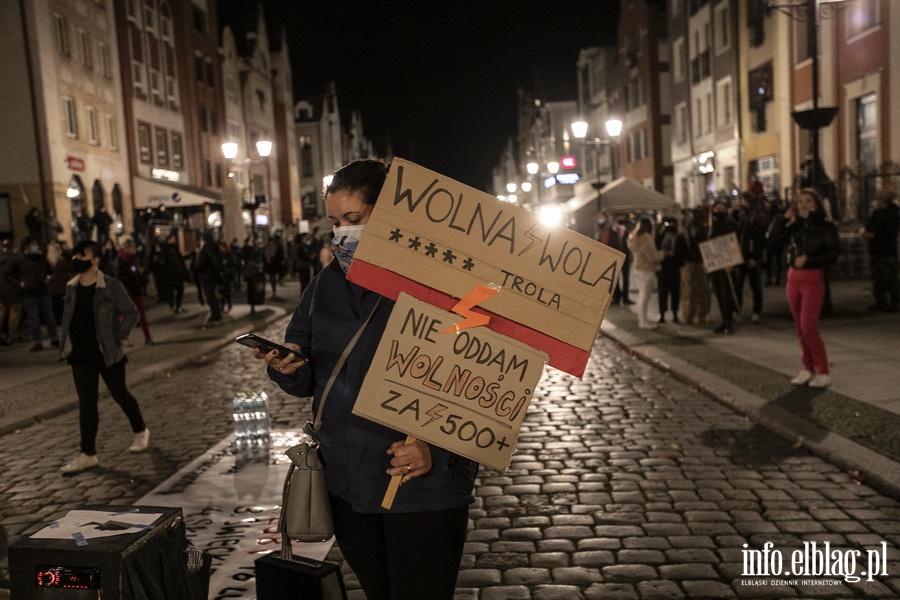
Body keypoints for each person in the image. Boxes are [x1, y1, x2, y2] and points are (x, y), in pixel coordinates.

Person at [250, 159, 476, 600]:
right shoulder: (324, 285)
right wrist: (287, 367)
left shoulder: (442, 284)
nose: (342, 234)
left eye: (354, 220)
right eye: (335, 223)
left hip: (422, 486)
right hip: (349, 484)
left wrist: (437, 446)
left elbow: (481, 383)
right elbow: (307, 372)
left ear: (390, 215)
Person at [58, 240, 149, 473]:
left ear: (96, 259)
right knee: (87, 404)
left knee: (120, 394)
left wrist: (119, 335)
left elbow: (131, 311)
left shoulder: (110, 285)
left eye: (84, 255)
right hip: (80, 354)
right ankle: (87, 453)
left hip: (107, 353)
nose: (78, 259)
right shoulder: (72, 287)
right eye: (76, 255)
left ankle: (140, 430)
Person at [784, 188, 841, 388]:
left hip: (812, 277)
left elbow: (833, 253)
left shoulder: (825, 227)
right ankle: (807, 369)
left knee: (809, 327)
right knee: (800, 328)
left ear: (816, 204)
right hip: (793, 278)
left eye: (808, 201)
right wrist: (786, 220)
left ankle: (823, 371)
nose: (803, 204)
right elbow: (772, 240)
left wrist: (809, 259)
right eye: (800, 201)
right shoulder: (794, 226)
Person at [7, 238, 58, 351]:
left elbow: (50, 272)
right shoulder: (19, 260)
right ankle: (38, 342)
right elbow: (8, 274)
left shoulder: (41, 258)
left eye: (36, 245)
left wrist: (48, 279)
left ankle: (54, 338)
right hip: (29, 293)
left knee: (49, 316)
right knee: (34, 318)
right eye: (32, 245)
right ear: (26, 247)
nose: (35, 247)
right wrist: (19, 284)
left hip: (43, 291)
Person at [860, 190, 900, 312]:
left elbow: (887, 232)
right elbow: (869, 225)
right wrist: (866, 232)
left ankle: (895, 301)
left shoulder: (893, 214)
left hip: (887, 249)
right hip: (877, 249)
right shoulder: (878, 212)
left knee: (890, 276)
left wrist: (870, 234)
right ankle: (881, 301)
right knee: (878, 276)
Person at [734, 192, 770, 322]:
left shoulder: (757, 216)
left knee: (755, 284)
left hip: (751, 256)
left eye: (743, 200)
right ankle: (737, 309)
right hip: (741, 255)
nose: (741, 203)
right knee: (738, 284)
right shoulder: (744, 215)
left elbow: (759, 239)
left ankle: (756, 311)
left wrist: (755, 256)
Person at [627, 217, 665, 330]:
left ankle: (643, 319)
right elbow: (652, 256)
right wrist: (663, 253)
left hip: (638, 268)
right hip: (646, 269)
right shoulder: (647, 238)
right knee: (644, 296)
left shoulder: (634, 237)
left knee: (641, 295)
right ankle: (643, 321)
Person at [708, 201, 738, 334]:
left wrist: (732, 262)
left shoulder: (730, 224)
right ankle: (724, 320)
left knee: (726, 294)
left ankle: (729, 322)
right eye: (717, 208)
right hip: (715, 265)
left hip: (727, 265)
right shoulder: (711, 226)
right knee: (719, 294)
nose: (719, 211)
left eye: (721, 208)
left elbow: (733, 243)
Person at [116, 238, 153, 345]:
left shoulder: (135, 259)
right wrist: (134, 277)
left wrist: (142, 277)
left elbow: (137, 273)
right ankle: (123, 338)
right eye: (132, 247)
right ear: (126, 248)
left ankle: (148, 337)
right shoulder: (119, 261)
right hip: (126, 291)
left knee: (142, 314)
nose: (134, 250)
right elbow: (119, 277)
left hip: (137, 290)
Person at [680, 208, 710, 325]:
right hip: (696, 261)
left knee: (690, 290)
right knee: (699, 289)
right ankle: (698, 315)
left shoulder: (687, 227)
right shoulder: (699, 228)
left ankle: (690, 315)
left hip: (691, 261)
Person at [655, 216, 686, 323]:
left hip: (674, 267)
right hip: (663, 267)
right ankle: (662, 313)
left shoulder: (679, 237)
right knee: (663, 291)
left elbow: (683, 252)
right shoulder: (660, 236)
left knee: (675, 291)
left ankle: (675, 313)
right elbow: (656, 249)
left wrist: (675, 256)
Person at [155, 232, 189, 314]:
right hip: (170, 275)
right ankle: (172, 306)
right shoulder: (165, 250)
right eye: (173, 239)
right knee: (171, 291)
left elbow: (180, 259)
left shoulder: (175, 249)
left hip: (178, 274)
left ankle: (178, 305)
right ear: (169, 240)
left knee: (180, 289)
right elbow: (164, 263)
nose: (175, 240)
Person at [194, 232, 223, 323]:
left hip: (206, 275)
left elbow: (199, 265)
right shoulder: (215, 248)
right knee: (213, 295)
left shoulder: (205, 250)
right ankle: (217, 313)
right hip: (214, 275)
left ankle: (215, 314)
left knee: (210, 296)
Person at [0, 238, 24, 346]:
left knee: (1, 313)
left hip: (1, 290)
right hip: (13, 289)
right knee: (14, 314)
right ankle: (13, 336)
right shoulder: (15, 258)